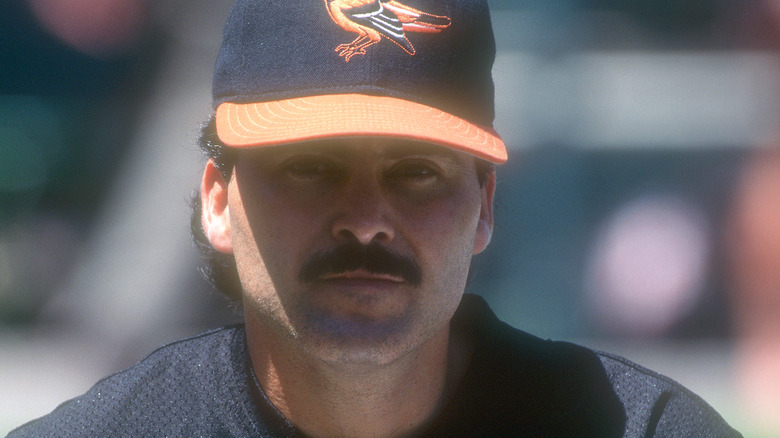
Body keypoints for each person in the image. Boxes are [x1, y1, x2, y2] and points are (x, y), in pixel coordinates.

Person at [9, 0, 741, 436]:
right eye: (311, 168)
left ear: (484, 208)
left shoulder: (639, 430)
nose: (366, 221)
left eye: (416, 174)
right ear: (217, 202)